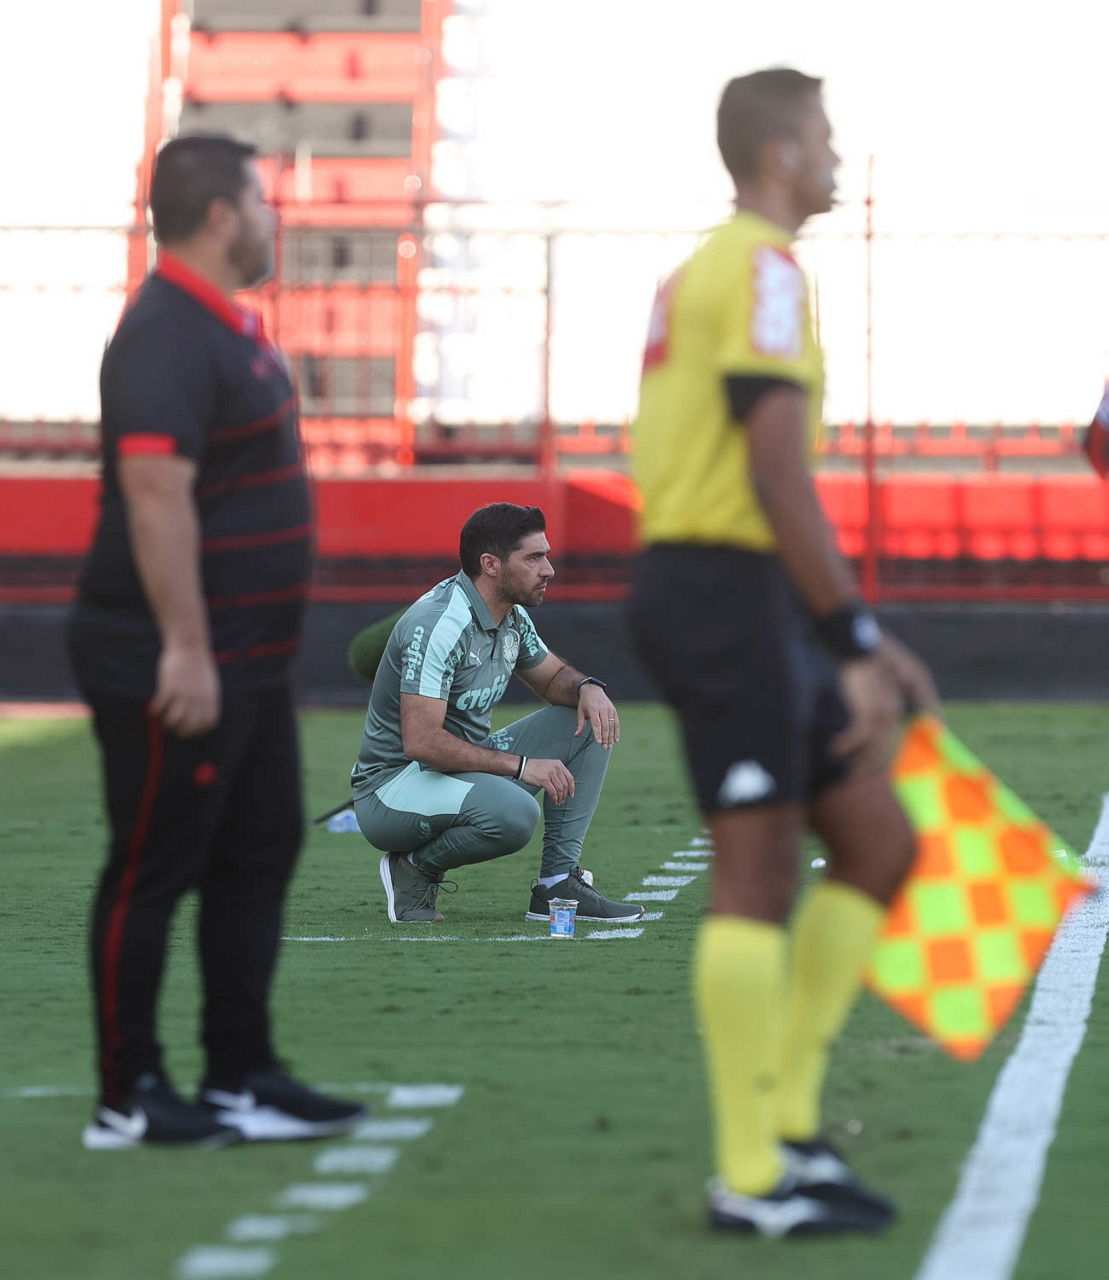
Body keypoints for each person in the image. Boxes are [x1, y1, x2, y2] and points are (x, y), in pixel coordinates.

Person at [627, 70, 940, 1237]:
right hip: (719, 588)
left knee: (877, 839)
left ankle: (791, 1123)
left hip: (746, 588)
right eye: (822, 137)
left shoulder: (707, 269)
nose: (835, 157)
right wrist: (851, 635)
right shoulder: (760, 269)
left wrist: (842, 629)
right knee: (756, 870)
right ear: (778, 153)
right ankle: (750, 1172)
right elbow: (771, 471)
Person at [68, 132, 364, 1149]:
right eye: (263, 200)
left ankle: (240, 1074)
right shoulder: (165, 332)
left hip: (251, 657)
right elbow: (155, 498)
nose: (276, 219)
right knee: (154, 864)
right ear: (220, 215)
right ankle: (127, 1093)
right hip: (176, 655)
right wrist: (186, 649)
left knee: (258, 850)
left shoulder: (228, 324)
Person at [351, 502, 643, 925]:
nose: (548, 570)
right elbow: (421, 742)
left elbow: (552, 678)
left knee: (588, 721)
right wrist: (523, 766)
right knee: (516, 814)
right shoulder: (439, 624)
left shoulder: (511, 616)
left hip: (457, 769)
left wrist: (586, 688)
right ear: (490, 564)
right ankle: (412, 868)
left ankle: (557, 883)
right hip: (394, 787)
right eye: (533, 558)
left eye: (546, 555)